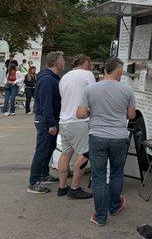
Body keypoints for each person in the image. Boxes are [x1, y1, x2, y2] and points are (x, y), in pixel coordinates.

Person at [76, 57, 136, 226]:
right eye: (121, 71)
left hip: (98, 137)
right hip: (119, 138)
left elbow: (80, 113)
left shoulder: (90, 88)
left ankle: (100, 216)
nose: (122, 73)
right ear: (117, 71)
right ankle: (115, 206)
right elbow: (131, 116)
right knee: (117, 173)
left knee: (99, 176)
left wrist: (92, 112)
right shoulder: (127, 90)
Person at [57, 54, 95, 199]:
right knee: (86, 153)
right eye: (89, 63)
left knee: (66, 153)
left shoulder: (64, 77)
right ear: (85, 62)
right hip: (78, 121)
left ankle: (62, 187)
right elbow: (93, 94)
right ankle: (75, 188)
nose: (90, 66)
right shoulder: (87, 74)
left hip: (64, 120)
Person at [27, 51, 65, 194]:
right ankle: (33, 182)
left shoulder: (51, 78)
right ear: (55, 62)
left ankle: (43, 174)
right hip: (45, 120)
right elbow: (46, 104)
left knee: (49, 147)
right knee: (42, 150)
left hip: (50, 119)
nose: (63, 62)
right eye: (62, 60)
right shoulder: (47, 80)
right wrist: (51, 123)